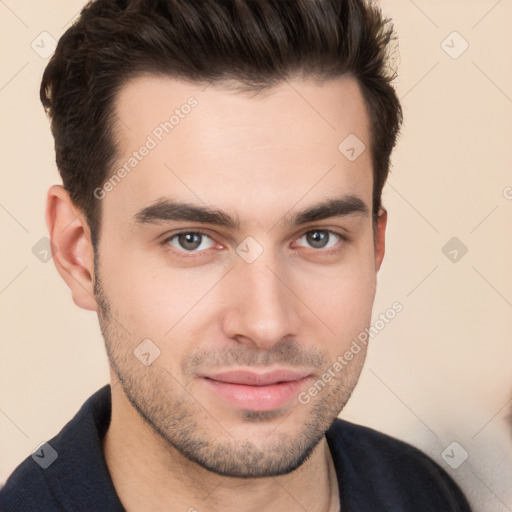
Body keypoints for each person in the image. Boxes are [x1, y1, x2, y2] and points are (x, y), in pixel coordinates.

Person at [0, 0, 473, 510]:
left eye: (318, 237)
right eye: (191, 240)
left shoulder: (423, 492)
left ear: (376, 246)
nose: (267, 323)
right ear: (78, 255)